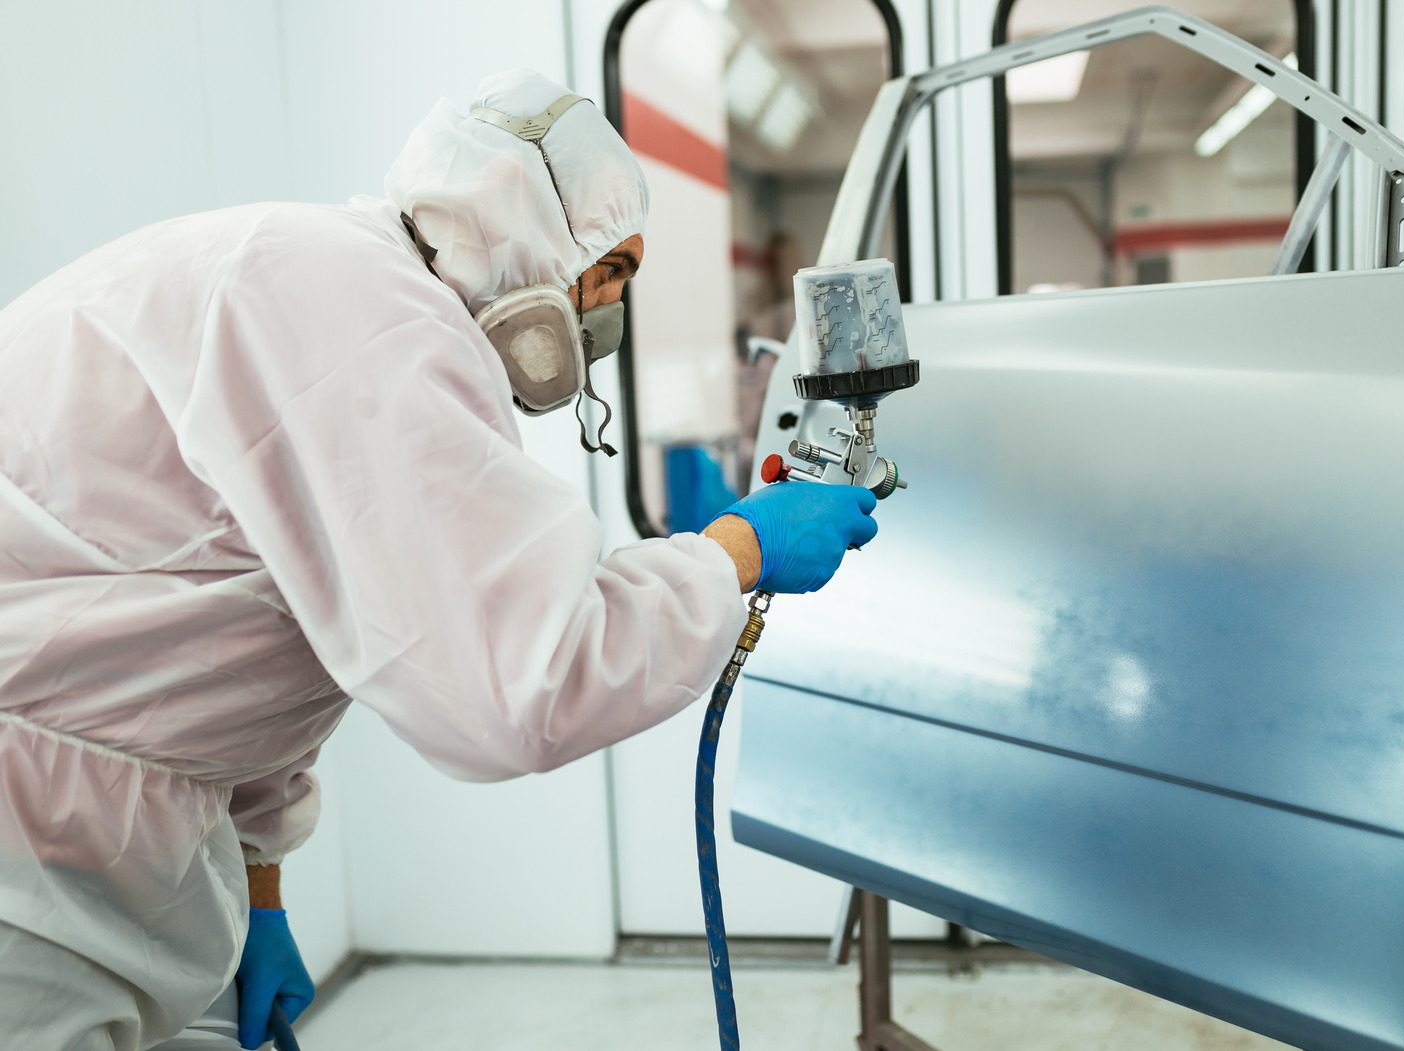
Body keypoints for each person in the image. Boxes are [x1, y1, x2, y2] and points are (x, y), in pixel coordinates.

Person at [0, 69, 880, 1050]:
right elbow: (526, 683)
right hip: (29, 845)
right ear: (537, 237)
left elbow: (245, 636)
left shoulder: (343, 286)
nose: (609, 320)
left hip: (94, 819)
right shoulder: (366, 322)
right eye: (614, 273)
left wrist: (261, 888)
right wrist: (742, 546)